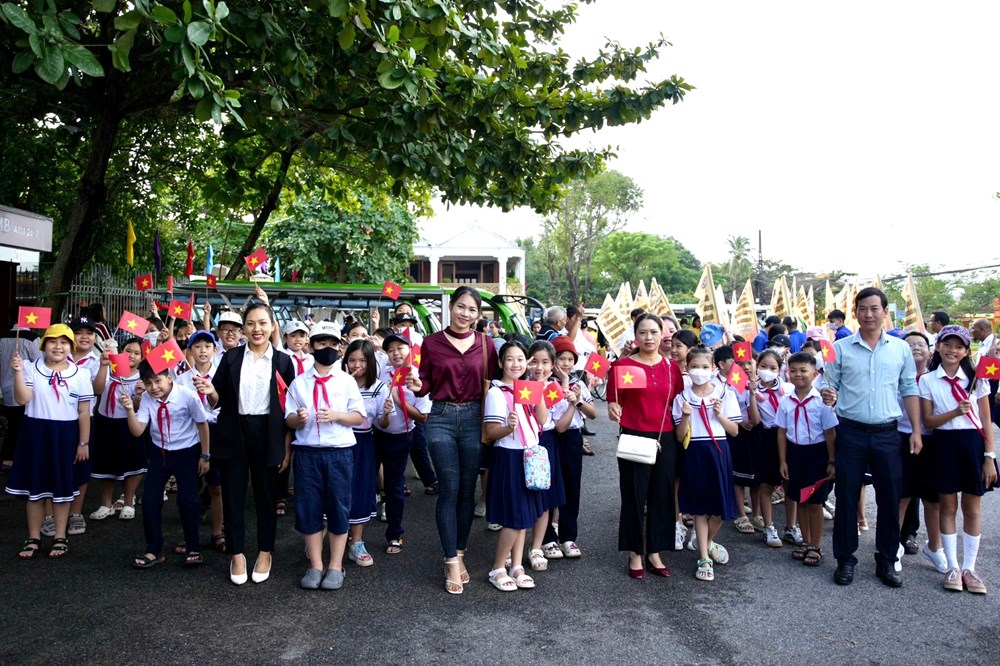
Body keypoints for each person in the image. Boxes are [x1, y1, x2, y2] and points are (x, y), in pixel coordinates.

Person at [822, 287, 920, 588]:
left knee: (890, 498)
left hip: (888, 434)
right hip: (850, 432)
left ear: (884, 312)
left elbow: (909, 390)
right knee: (847, 496)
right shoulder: (840, 349)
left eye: (874, 308)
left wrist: (916, 430)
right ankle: (845, 560)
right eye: (862, 308)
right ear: (856, 313)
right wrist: (829, 395)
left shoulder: (900, 349)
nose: (868, 314)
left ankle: (887, 560)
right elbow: (830, 386)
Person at [194, 302, 296, 586]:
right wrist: (211, 391)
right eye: (250, 323)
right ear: (243, 328)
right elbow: (218, 401)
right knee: (232, 496)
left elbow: (289, 408)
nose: (257, 329)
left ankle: (265, 552)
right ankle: (236, 553)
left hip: (268, 433)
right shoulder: (230, 358)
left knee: (266, 497)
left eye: (263, 323)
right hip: (233, 431)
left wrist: (286, 445)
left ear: (272, 326)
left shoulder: (284, 362)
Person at [410, 286, 499, 594]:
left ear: (478, 314)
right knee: (449, 488)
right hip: (442, 418)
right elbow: (425, 385)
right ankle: (450, 560)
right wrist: (417, 384)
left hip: (476, 418)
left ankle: (460, 553)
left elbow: (501, 382)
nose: (465, 314)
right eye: (461, 307)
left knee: (467, 491)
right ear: (451, 307)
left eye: (472, 310)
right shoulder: (431, 343)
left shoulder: (487, 345)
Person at [284, 322, 365, 590]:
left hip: (339, 453)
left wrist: (336, 415)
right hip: (308, 454)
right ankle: (316, 565)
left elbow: (358, 416)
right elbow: (289, 420)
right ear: (311, 346)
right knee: (309, 508)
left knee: (339, 507)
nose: (326, 349)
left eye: (331, 344)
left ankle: (335, 565)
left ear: (339, 348)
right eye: (321, 343)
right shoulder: (298, 383)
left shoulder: (347, 381)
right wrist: (299, 418)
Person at [918, 325, 997, 594]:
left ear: (966, 351)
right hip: (943, 445)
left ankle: (970, 568)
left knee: (972, 508)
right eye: (947, 344)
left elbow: (986, 421)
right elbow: (928, 420)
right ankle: (952, 566)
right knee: (948, 505)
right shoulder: (927, 380)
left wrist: (989, 456)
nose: (953, 350)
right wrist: (954, 412)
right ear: (938, 347)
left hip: (973, 445)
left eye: (959, 346)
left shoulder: (977, 378)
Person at [5, 324, 94, 559]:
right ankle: (33, 537)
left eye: (64, 342)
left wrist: (83, 443)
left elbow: (84, 412)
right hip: (36, 432)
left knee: (62, 489)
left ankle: (60, 537)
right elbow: (23, 398)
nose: (58, 346)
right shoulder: (30, 367)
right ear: (43, 345)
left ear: (71, 347)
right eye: (53, 341)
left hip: (65, 435)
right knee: (35, 490)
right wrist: (17, 373)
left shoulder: (80, 374)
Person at [607, 314, 685, 579]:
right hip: (634, 436)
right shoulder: (624, 365)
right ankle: (634, 552)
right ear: (635, 335)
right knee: (634, 495)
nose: (648, 338)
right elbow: (614, 400)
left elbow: (678, 399)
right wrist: (614, 407)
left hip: (666, 438)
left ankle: (655, 551)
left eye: (653, 332)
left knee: (662, 497)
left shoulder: (671, 367)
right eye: (643, 332)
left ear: (662, 334)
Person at [120, 358, 210, 568]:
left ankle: (193, 547)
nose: (154, 387)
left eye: (158, 381)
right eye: (148, 383)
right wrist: (129, 410)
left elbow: (202, 424)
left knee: (188, 501)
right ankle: (153, 550)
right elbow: (138, 430)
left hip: (187, 452)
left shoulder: (187, 395)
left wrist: (205, 455)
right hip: (159, 452)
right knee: (150, 501)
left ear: (169, 378)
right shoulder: (147, 400)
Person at [482, 340, 548, 591]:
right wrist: (507, 427)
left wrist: (536, 387)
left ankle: (517, 565)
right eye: (510, 359)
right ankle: (498, 567)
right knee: (515, 517)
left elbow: (542, 419)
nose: (516, 364)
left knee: (526, 516)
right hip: (509, 458)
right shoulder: (496, 393)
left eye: (521, 359)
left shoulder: (528, 388)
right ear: (500, 363)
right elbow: (491, 432)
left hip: (530, 456)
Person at [673, 346, 741, 582]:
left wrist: (720, 415)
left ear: (713, 368)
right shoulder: (682, 397)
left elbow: (734, 431)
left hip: (719, 451)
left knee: (721, 509)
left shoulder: (725, 393)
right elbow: (680, 437)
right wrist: (685, 416)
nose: (699, 371)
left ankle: (707, 541)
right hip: (695, 452)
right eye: (694, 367)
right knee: (700, 508)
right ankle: (704, 557)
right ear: (686, 368)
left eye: (704, 367)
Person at [776, 352, 838, 568]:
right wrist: (783, 461)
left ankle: (816, 545)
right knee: (799, 499)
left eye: (803, 371)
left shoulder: (822, 402)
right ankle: (805, 540)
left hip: (817, 455)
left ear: (814, 374)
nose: (798, 375)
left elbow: (830, 433)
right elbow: (781, 432)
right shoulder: (786, 401)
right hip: (795, 454)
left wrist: (831, 460)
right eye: (793, 370)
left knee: (815, 502)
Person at [543, 335, 597, 557]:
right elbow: (555, 422)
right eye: (561, 358)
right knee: (548, 487)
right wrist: (564, 387)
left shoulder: (579, 383)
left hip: (573, 438)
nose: (565, 363)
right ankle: (547, 538)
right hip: (551, 437)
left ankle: (568, 537)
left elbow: (592, 414)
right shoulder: (546, 384)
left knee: (572, 487)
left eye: (570, 359)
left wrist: (578, 400)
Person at [375, 331, 427, 555]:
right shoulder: (381, 372)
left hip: (401, 438)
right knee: (363, 482)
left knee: (394, 487)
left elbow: (423, 416)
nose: (395, 353)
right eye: (390, 350)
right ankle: (352, 533)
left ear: (410, 350)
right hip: (374, 433)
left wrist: (398, 399)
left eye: (400, 348)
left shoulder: (418, 377)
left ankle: (395, 534)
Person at [342, 339, 393, 567]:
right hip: (339, 442)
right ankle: (330, 537)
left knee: (361, 490)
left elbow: (383, 424)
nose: (356, 365)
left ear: (371, 362)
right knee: (336, 490)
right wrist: (344, 384)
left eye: (362, 360)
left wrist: (387, 414)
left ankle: (357, 542)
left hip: (363, 442)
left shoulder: (379, 388)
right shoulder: (337, 383)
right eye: (352, 360)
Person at [175, 331, 225, 553]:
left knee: (217, 486)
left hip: (216, 432)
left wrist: (212, 392)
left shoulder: (222, 374)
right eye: (197, 346)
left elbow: (224, 403)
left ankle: (217, 532)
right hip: (190, 433)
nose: (203, 351)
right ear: (190, 351)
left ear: (215, 350)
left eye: (207, 346)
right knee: (190, 488)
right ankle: (190, 536)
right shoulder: (182, 378)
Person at [898, 331, 944, 573]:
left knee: (932, 498)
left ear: (930, 351)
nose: (916, 348)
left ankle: (935, 547)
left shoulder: (937, 379)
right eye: (910, 345)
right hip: (901, 439)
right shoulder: (894, 378)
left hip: (932, 441)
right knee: (902, 495)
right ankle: (893, 546)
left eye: (921, 344)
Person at [88, 337, 146, 521]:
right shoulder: (109, 370)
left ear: (142, 358)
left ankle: (128, 502)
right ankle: (106, 504)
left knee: (132, 463)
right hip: (106, 422)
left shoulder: (142, 379)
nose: (131, 355)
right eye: (128, 350)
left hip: (129, 424)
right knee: (106, 464)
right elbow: (97, 390)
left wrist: (137, 395)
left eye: (137, 353)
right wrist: (104, 366)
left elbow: (139, 408)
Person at [526, 339, 566, 570]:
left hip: (546, 443)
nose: (539, 368)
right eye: (534, 362)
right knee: (522, 496)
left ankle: (536, 547)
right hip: (522, 443)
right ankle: (514, 548)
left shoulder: (554, 389)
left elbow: (559, 423)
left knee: (544, 499)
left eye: (545, 363)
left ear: (553, 366)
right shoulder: (518, 384)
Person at [753, 349, 794, 548]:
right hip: (767, 437)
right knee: (767, 485)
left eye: (772, 368)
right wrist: (752, 395)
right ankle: (769, 527)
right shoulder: (752, 390)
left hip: (790, 436)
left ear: (779, 370)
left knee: (790, 484)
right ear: (756, 366)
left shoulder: (788, 388)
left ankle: (792, 526)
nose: (767, 371)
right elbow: (755, 419)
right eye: (763, 366)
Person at [1, 311, 42, 472]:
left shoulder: (3, 337)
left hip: (5, 386)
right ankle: (10, 459)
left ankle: (9, 458)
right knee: (19, 425)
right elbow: (39, 362)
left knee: (13, 423)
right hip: (25, 387)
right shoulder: (32, 338)